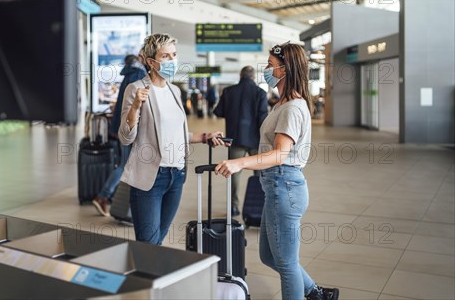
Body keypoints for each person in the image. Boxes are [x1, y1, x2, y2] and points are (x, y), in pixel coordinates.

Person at [214, 42, 339, 300]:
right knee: (269, 256)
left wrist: (240, 163)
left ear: (285, 69)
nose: (267, 70)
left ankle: (313, 294)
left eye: (271, 65)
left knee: (286, 263)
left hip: (286, 187)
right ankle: (316, 293)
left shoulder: (293, 107)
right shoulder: (282, 103)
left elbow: (280, 153)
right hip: (276, 187)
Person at [118, 33, 227, 245]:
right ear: (151, 62)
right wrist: (135, 107)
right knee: (148, 244)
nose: (172, 60)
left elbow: (176, 134)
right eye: (165, 56)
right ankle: (142, 276)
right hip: (150, 177)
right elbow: (125, 136)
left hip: (176, 175)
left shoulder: (175, 90)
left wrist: (206, 136)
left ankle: (151, 276)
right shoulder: (136, 89)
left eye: (174, 55)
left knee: (159, 240)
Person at [92, 54, 146, 217]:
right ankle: (103, 196)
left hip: (123, 125)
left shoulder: (130, 74)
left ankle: (114, 200)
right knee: (126, 165)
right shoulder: (138, 74)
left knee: (126, 164)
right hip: (130, 127)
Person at [213, 66, 268, 216]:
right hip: (256, 140)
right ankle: (257, 209)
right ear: (253, 77)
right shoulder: (260, 93)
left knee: (233, 173)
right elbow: (263, 119)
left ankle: (234, 206)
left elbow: (218, 112)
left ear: (240, 75)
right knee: (259, 175)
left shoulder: (229, 92)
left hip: (236, 138)